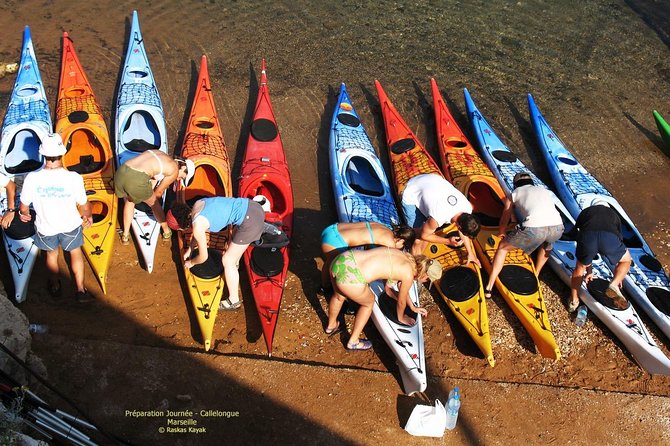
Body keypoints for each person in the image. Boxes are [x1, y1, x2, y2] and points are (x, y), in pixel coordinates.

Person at [18, 133, 93, 302]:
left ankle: (55, 285)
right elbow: (84, 204)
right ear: (62, 153)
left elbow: (23, 206)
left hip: (46, 227)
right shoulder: (73, 177)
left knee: (51, 255)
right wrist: (88, 216)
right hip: (70, 225)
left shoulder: (32, 178)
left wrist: (25, 214)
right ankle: (80, 290)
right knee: (75, 253)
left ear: (43, 154)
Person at [324, 247, 442, 350]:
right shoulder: (408, 274)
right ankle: (353, 342)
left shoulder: (404, 256)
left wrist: (412, 307)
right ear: (424, 274)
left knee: (339, 296)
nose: (426, 282)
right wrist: (401, 318)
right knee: (368, 303)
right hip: (352, 277)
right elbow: (401, 301)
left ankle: (331, 326)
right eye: (427, 279)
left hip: (342, 260)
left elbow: (390, 289)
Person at [166, 197, 265, 310]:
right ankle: (235, 264)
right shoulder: (198, 204)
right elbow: (198, 229)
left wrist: (191, 263)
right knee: (233, 244)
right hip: (253, 206)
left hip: (250, 221)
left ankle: (234, 301)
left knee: (227, 260)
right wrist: (190, 249)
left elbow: (203, 257)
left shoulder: (197, 226)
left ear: (181, 226)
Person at [483, 172, 564, 298]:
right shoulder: (543, 190)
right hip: (558, 228)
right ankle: (536, 275)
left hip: (535, 229)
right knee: (548, 244)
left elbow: (505, 217)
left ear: (516, 185)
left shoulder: (514, 194)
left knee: (502, 248)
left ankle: (489, 286)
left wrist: (501, 232)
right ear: (531, 183)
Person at [114, 150, 194, 245]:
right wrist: (152, 205)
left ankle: (125, 236)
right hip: (136, 179)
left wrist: (144, 195)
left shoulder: (162, 156)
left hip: (121, 172)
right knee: (155, 204)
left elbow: (152, 178)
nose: (178, 179)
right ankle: (166, 232)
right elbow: (158, 193)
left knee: (130, 201)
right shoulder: (174, 170)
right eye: (182, 177)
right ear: (183, 167)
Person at [400, 173, 481, 265]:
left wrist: (470, 253)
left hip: (432, 179)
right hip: (412, 191)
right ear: (459, 227)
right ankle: (410, 261)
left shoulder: (468, 208)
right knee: (418, 238)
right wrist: (448, 241)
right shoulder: (439, 217)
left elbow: (463, 230)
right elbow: (424, 236)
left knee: (428, 232)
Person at [319, 221, 416, 294]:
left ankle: (324, 287)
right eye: (403, 247)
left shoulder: (384, 227)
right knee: (336, 271)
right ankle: (335, 294)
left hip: (332, 229)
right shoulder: (389, 243)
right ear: (401, 241)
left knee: (329, 262)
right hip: (336, 242)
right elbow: (387, 265)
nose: (400, 249)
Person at [570, 197, 631, 311]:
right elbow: (619, 238)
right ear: (607, 207)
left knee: (579, 268)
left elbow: (579, 232)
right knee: (626, 260)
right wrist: (619, 276)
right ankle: (614, 284)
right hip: (609, 238)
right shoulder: (614, 215)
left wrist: (588, 270)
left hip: (588, 237)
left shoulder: (586, 212)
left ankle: (574, 300)